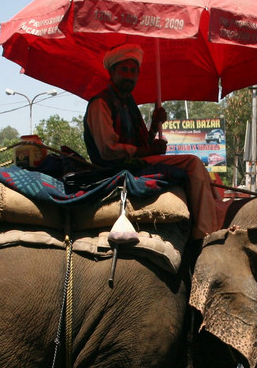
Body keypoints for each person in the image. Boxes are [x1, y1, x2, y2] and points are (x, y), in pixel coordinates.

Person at [83, 44, 222, 239]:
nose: (129, 76)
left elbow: (142, 144)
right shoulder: (101, 104)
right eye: (124, 70)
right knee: (192, 163)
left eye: (133, 71)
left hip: (137, 162)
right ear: (112, 72)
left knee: (205, 173)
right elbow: (108, 150)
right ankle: (205, 233)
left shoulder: (128, 103)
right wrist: (148, 151)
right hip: (116, 168)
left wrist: (154, 124)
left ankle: (218, 214)